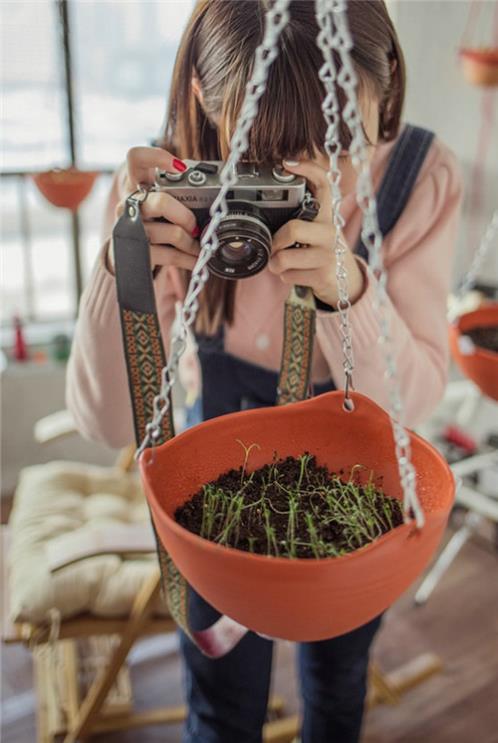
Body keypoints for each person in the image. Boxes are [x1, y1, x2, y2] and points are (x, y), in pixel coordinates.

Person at [66, 1, 462, 741]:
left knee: (340, 683)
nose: (312, 180)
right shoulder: (168, 188)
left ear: (387, 92)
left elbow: (423, 398)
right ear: (203, 106)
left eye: (340, 144)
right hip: (224, 494)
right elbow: (108, 423)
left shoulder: (417, 176)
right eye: (268, 158)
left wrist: (352, 293)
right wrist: (120, 271)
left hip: (355, 493)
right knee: (219, 699)